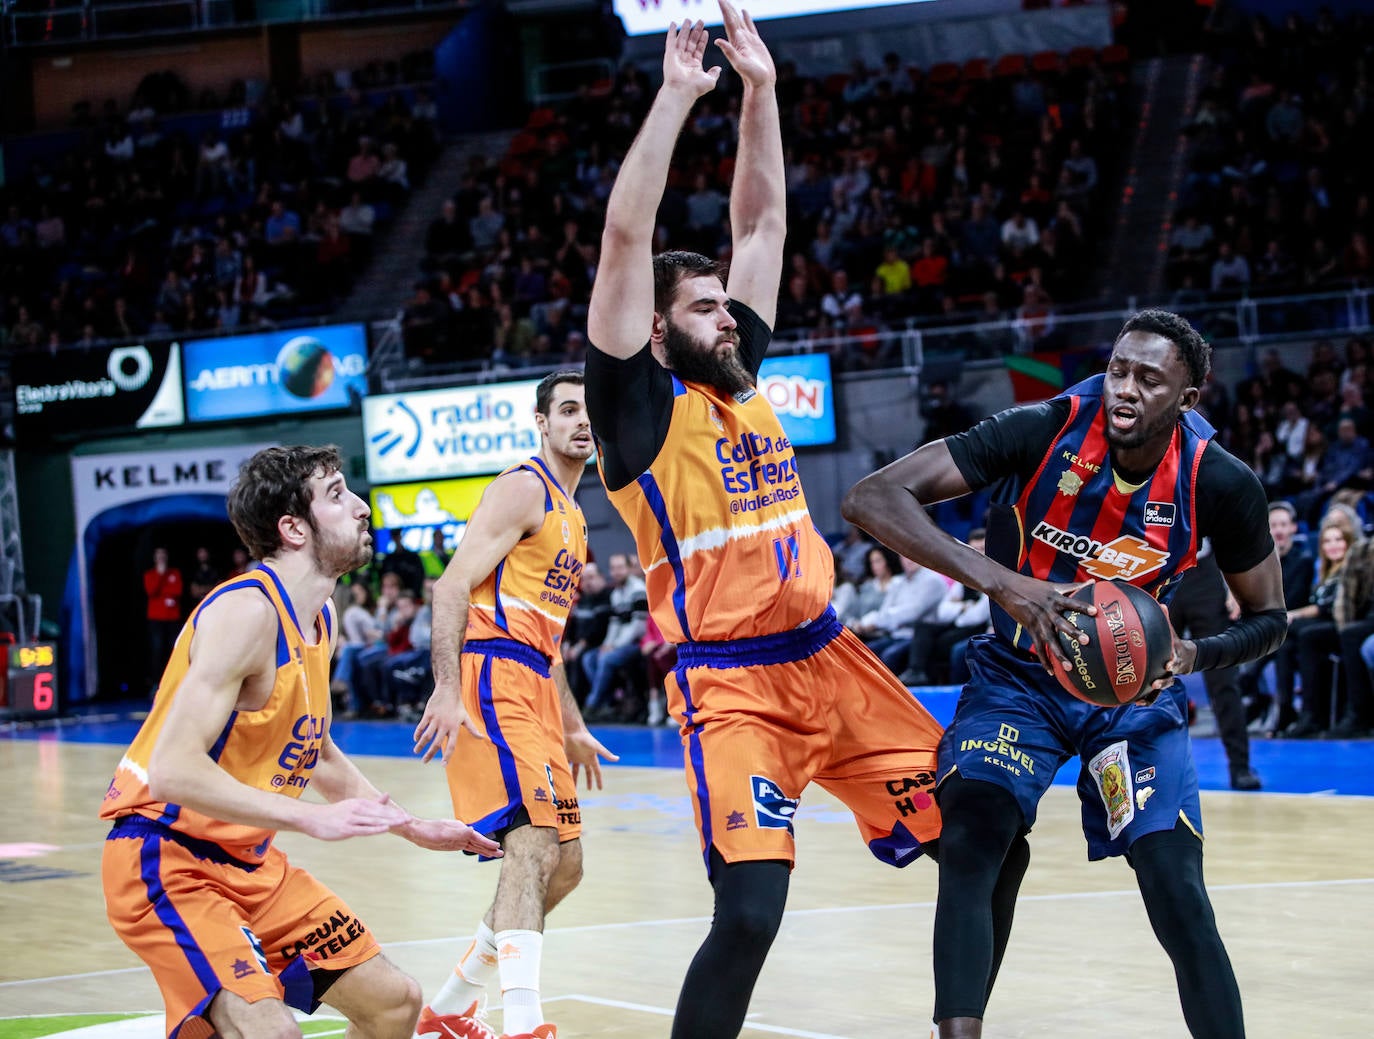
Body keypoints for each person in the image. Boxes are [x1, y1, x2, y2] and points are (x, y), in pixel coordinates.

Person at [584, 8, 944, 1036]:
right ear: (655, 332)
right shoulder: (639, 415)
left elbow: (763, 226)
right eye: (704, 308)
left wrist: (763, 93)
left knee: (982, 832)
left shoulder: (743, 379)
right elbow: (623, 237)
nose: (727, 314)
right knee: (750, 912)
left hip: (834, 656)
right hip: (735, 684)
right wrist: (674, 98)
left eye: (724, 306)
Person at [843, 309, 1287, 1039]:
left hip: (1131, 698)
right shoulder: (1044, 426)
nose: (1125, 388)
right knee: (974, 836)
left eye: (1150, 378)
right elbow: (871, 497)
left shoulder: (1221, 481)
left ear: (1189, 397)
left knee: (1176, 888)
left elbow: (1268, 617)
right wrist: (1003, 583)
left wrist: (1188, 657)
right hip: (1017, 678)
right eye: (1118, 369)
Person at [100, 445, 501, 1039]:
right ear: (293, 528)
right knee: (272, 1030)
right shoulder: (246, 613)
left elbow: (313, 748)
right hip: (167, 857)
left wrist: (411, 826)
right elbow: (172, 770)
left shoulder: (322, 616)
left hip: (251, 865)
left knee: (396, 1003)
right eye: (337, 495)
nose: (362, 508)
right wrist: (311, 820)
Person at [413, 371, 617, 1039]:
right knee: (532, 844)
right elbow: (450, 588)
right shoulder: (525, 486)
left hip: (532, 681)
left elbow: (549, 642)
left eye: (590, 411)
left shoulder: (577, 516)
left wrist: (576, 723)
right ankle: (524, 1023)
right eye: (567, 410)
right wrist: (446, 685)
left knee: (568, 863)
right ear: (542, 422)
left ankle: (448, 1007)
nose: (581, 421)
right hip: (491, 675)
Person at [1166, 541, 1262, 789]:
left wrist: (1237, 587)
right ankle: (1143, 766)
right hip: (1163, 569)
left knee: (1224, 680)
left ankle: (1240, 766)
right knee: (1149, 674)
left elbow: (1232, 532)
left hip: (1205, 573)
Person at [1238, 500, 1313, 733]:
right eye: (1274, 525)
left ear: (1293, 528)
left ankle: (1283, 710)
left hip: (1293, 626)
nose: (1279, 530)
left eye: (1283, 524)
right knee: (1240, 650)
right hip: (1265, 625)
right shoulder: (1257, 562)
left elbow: (1297, 598)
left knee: (1279, 649)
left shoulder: (1304, 561)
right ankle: (1258, 701)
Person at [143, 546, 183, 694]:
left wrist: (165, 592)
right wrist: (160, 575)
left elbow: (177, 590)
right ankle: (156, 683)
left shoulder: (175, 573)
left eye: (163, 554)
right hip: (156, 618)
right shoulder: (150, 575)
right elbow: (151, 591)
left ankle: (175, 682)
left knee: (173, 650)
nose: (161, 557)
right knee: (157, 651)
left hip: (172, 618)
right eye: (158, 555)